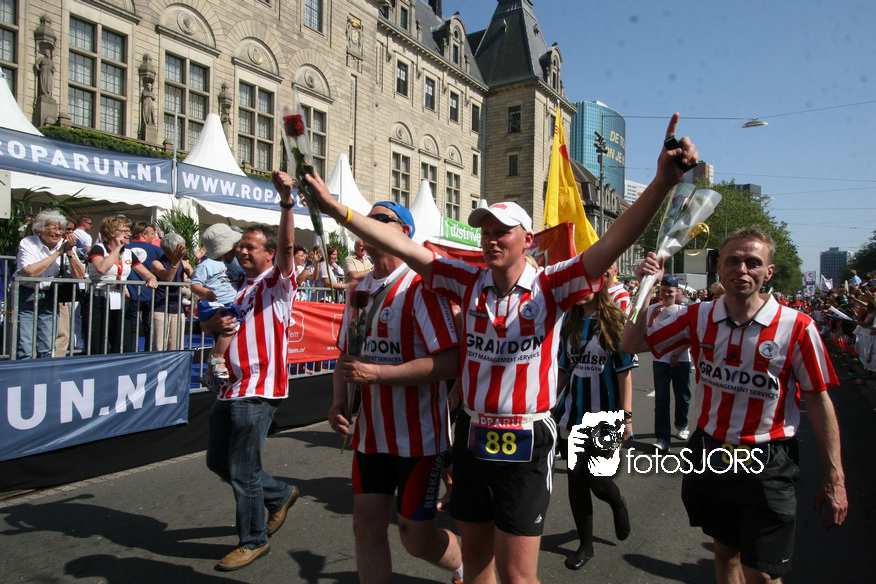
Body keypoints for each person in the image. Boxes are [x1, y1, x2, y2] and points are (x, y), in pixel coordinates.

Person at [305, 113, 698, 584]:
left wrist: (661, 182)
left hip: (527, 439)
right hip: (473, 435)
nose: (491, 239)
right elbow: (404, 247)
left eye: (502, 232)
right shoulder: (466, 279)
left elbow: (614, 241)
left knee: (517, 575)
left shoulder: (552, 284)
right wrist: (337, 210)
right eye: (486, 232)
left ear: (526, 240)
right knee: (476, 565)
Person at [622, 226, 848, 584]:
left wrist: (835, 476)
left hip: (768, 460)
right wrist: (647, 286)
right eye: (733, 261)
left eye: (752, 263)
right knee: (726, 553)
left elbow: (819, 401)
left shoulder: (797, 326)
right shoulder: (698, 316)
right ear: (719, 267)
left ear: (768, 272)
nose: (741, 269)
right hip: (711, 452)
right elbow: (632, 344)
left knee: (762, 574)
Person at [328, 201, 464, 584]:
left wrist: (378, 374)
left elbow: (450, 362)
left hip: (420, 438)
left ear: (404, 231)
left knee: (414, 536)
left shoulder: (421, 286)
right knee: (365, 526)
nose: (369, 224)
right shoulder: (357, 292)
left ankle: (465, 567)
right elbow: (346, 355)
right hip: (371, 436)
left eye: (380, 219)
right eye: (367, 218)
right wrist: (339, 401)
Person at [201, 170, 301, 572]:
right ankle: (278, 494)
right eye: (241, 245)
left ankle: (253, 539)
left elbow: (288, 247)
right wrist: (212, 325)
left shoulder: (277, 282)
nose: (242, 251)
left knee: (243, 469)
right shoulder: (241, 289)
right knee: (217, 461)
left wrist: (287, 201)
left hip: (258, 388)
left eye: (251, 247)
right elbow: (217, 327)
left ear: (269, 254)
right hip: (231, 387)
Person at [555, 286, 635, 570]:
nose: (581, 290)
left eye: (587, 284)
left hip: (605, 419)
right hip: (571, 417)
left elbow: (624, 373)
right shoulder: (569, 321)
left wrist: (626, 417)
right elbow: (564, 368)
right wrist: (549, 404)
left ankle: (616, 502)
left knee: (599, 482)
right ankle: (585, 544)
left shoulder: (614, 320)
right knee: (576, 482)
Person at [14, 209, 85, 358]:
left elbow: (79, 275)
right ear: (40, 229)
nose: (58, 233)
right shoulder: (28, 243)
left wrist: (69, 253)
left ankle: (43, 373)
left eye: (60, 229)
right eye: (53, 229)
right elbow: (31, 272)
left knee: (46, 347)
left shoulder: (65, 245)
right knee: (25, 348)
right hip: (26, 296)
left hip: (50, 298)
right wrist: (58, 253)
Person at [85, 215, 158, 354]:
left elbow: (146, 273)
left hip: (121, 298)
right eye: (124, 231)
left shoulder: (128, 253)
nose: (129, 234)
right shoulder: (98, 249)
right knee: (97, 342)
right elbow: (101, 268)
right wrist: (117, 249)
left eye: (129, 231)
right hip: (99, 298)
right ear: (111, 233)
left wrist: (151, 279)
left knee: (123, 341)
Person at [191, 224, 245, 379]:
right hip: (213, 305)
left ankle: (209, 373)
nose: (237, 250)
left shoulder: (233, 264)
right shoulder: (206, 265)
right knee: (230, 325)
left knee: (223, 336)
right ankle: (218, 358)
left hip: (228, 305)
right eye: (234, 248)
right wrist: (205, 292)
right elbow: (194, 284)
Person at [647, 274, 692, 451]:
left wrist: (676, 354)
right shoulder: (653, 308)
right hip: (660, 360)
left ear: (677, 291)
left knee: (683, 397)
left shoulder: (683, 309)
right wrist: (652, 318)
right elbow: (648, 334)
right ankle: (662, 438)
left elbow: (690, 335)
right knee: (662, 400)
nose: (666, 294)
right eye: (663, 290)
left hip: (681, 360)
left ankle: (682, 425)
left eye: (670, 291)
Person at [150, 233, 194, 351]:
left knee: (177, 347)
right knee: (159, 346)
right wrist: (175, 262)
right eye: (181, 249)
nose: (184, 252)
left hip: (177, 309)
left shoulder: (184, 264)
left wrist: (198, 260)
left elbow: (197, 278)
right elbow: (167, 278)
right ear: (170, 251)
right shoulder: (157, 263)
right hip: (160, 309)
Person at [127, 222, 163, 344]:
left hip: (130, 293)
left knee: (131, 328)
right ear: (144, 234)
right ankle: (148, 352)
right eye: (152, 234)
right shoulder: (156, 250)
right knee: (149, 328)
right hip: (149, 293)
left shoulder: (125, 248)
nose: (154, 237)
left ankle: (131, 351)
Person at [54, 218, 81, 357]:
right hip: (36, 293)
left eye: (72, 229)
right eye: (67, 229)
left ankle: (56, 367)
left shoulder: (71, 246)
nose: (70, 232)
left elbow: (79, 275)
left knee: (63, 334)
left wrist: (69, 252)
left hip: (60, 296)